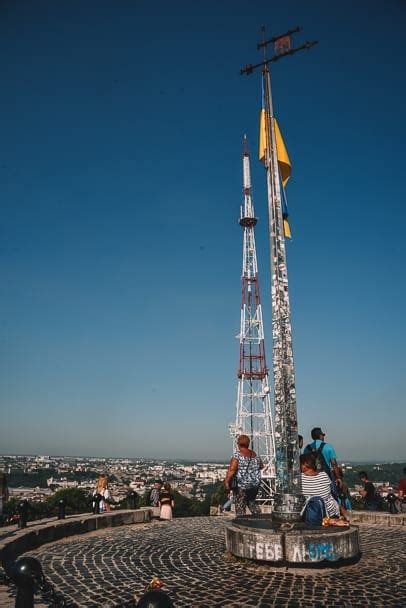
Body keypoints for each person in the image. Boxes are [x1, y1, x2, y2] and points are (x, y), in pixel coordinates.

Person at [224, 434, 263, 517]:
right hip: (255, 484)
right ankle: (259, 517)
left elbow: (232, 470)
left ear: (238, 444)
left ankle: (241, 520)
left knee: (240, 505)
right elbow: (261, 466)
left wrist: (227, 482)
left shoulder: (237, 455)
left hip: (242, 485)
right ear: (248, 444)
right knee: (251, 501)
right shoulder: (255, 455)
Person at [300, 453, 340, 524]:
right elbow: (330, 492)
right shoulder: (324, 475)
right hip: (330, 513)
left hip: (313, 514)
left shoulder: (300, 478)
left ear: (303, 466)